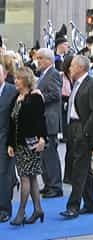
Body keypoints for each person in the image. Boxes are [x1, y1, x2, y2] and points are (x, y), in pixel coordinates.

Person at [60, 56, 93, 219]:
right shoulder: (76, 84)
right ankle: (91, 204)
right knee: (84, 168)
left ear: (80, 68)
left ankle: (73, 206)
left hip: (82, 130)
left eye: (72, 66)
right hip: (73, 128)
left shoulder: (92, 84)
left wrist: (86, 132)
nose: (69, 69)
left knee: (79, 168)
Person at [7, 67, 47, 225]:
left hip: (31, 144)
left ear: (25, 80)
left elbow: (40, 120)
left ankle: (21, 212)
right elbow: (12, 122)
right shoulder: (16, 97)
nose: (15, 81)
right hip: (18, 145)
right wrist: (10, 143)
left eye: (18, 78)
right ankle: (38, 209)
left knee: (25, 178)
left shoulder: (35, 97)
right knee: (31, 178)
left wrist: (43, 139)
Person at [35, 48, 63, 198]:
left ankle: (55, 186)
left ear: (49, 60)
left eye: (40, 58)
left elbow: (55, 94)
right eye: (37, 58)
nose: (37, 61)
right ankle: (48, 184)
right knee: (44, 156)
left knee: (50, 155)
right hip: (43, 121)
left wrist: (39, 96)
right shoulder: (43, 75)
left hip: (50, 121)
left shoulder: (53, 74)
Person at [0, 64, 17, 223]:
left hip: (5, 140)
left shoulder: (12, 91)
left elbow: (15, 119)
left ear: (4, 75)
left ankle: (4, 209)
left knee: (4, 174)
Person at [62, 55, 74, 183]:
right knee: (70, 148)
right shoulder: (63, 77)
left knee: (71, 149)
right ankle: (68, 175)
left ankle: (69, 175)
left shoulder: (74, 78)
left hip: (70, 115)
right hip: (66, 115)